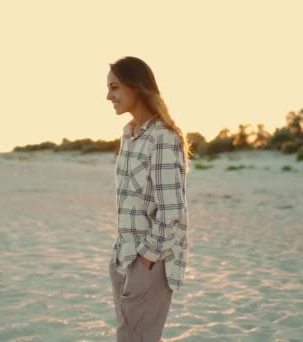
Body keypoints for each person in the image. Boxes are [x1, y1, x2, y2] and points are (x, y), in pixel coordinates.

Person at [106, 56, 190, 342]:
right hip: (124, 257)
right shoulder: (128, 135)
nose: (108, 96)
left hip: (150, 262)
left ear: (136, 87)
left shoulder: (162, 137)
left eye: (114, 87)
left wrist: (145, 262)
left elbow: (171, 212)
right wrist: (123, 258)